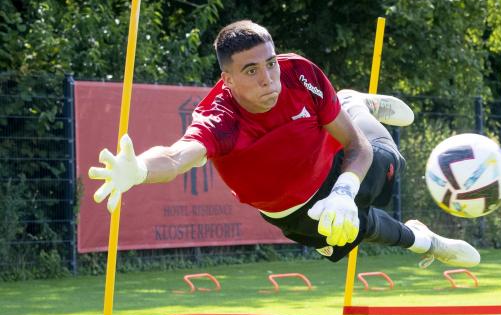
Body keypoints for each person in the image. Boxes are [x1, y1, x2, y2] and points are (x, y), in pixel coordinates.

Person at [88, 20, 479, 268]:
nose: (268, 79)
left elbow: (357, 147)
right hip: (291, 210)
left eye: (270, 63)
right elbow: (177, 157)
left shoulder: (300, 74)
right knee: (356, 232)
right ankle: (429, 242)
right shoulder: (220, 119)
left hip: (337, 162)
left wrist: (344, 190)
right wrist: (139, 169)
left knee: (390, 163)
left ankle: (355, 102)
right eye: (251, 71)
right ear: (227, 80)